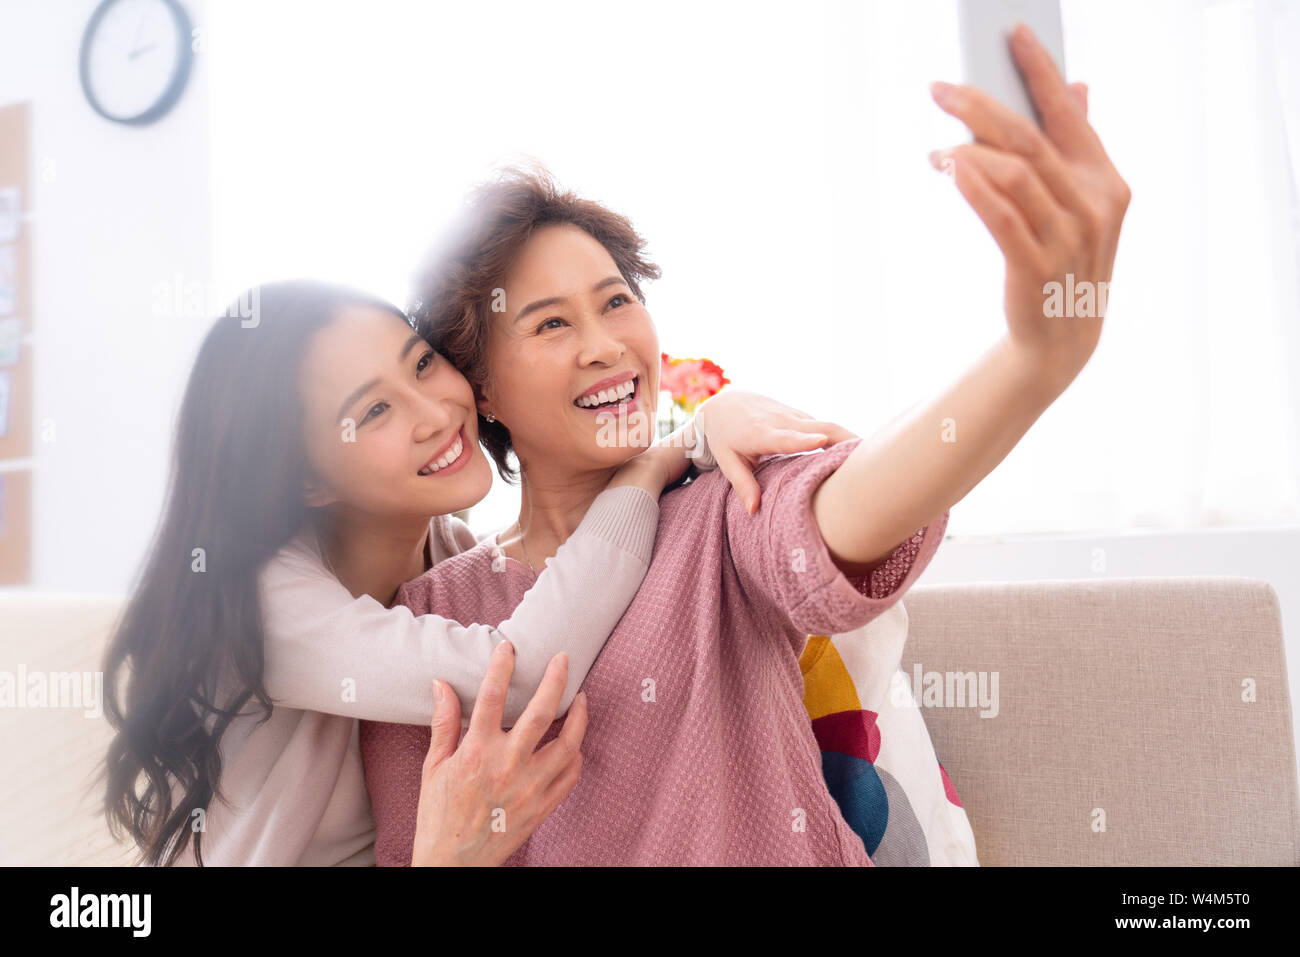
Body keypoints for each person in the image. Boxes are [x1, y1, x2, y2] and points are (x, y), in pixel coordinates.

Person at [361, 26, 1129, 864]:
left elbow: (847, 507)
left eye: (617, 301)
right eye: (551, 323)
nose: (606, 345)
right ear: (483, 390)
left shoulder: (720, 504)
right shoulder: (430, 620)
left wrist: (1032, 359)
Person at [102, 281, 840, 865]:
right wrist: (659, 457)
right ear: (308, 480)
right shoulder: (268, 601)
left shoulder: (449, 556)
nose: (435, 412)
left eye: (422, 362)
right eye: (377, 410)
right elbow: (514, 679)